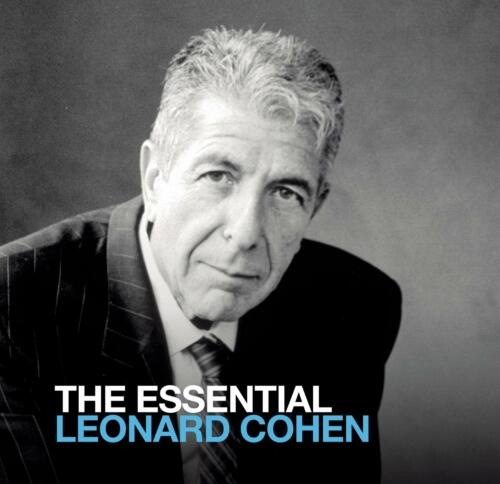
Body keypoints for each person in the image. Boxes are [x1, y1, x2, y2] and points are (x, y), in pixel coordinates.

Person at [0, 28, 401, 484]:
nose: (245, 234)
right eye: (218, 176)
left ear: (315, 206)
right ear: (155, 178)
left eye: (286, 193)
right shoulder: (12, 309)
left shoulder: (354, 308)